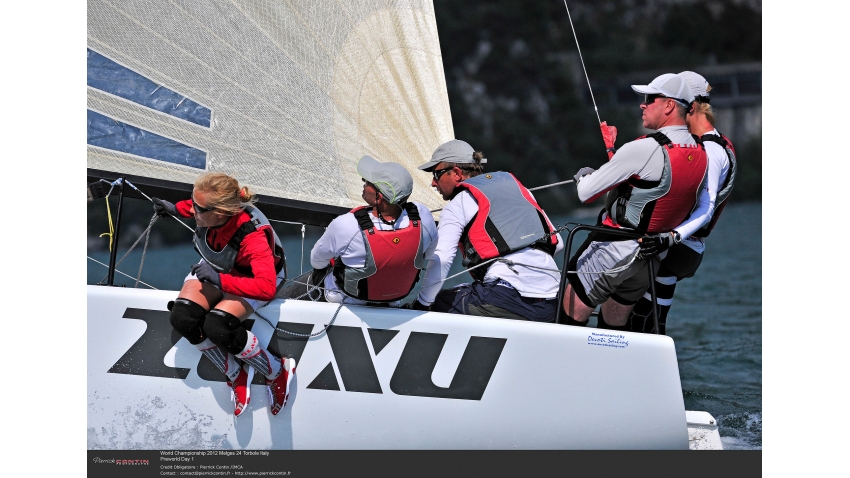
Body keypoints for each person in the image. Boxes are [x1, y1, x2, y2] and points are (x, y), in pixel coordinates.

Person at [561, 73, 710, 330]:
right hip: (649, 260)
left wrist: (584, 175)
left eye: (649, 99)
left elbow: (586, 193)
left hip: (612, 251)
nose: (643, 104)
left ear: (669, 105)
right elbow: (651, 190)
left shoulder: (643, 148)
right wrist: (615, 156)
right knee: (615, 329)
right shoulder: (700, 151)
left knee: (567, 318)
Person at [151, 172, 295, 417]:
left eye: (198, 208)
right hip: (219, 268)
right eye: (192, 202)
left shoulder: (253, 237)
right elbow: (192, 206)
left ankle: (275, 370)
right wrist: (174, 208)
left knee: (217, 326)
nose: (192, 210)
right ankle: (235, 373)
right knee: (182, 319)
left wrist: (221, 281)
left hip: (253, 278)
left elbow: (266, 287)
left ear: (221, 212)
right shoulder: (209, 212)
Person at [629, 71, 738, 334]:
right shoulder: (709, 144)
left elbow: (706, 208)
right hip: (681, 249)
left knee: (635, 319)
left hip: (674, 247)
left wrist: (670, 237)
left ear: (688, 105)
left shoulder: (710, 151)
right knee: (650, 322)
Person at [411, 140, 564, 322]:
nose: (433, 183)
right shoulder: (519, 190)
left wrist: (420, 305)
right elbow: (559, 244)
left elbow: (442, 259)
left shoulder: (458, 204)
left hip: (504, 300)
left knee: (436, 302)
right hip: (551, 303)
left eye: (437, 174)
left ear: (457, 173)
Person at [309, 155, 437, 306]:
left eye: (368, 182)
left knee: (304, 284)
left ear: (379, 197)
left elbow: (317, 261)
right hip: (394, 300)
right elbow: (429, 254)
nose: (364, 183)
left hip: (347, 300)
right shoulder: (423, 217)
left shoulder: (346, 224)